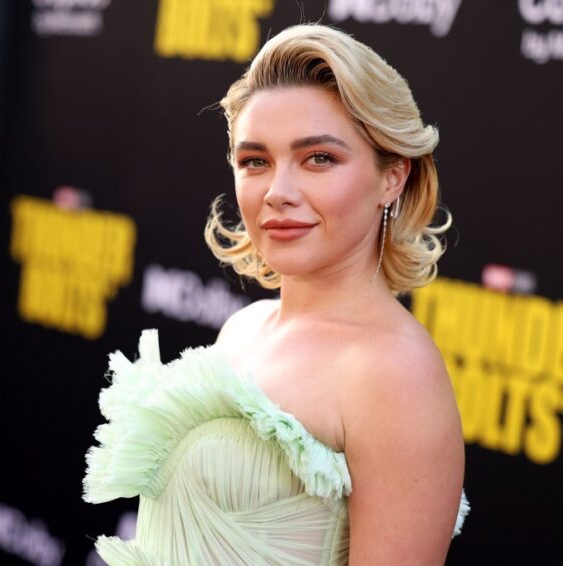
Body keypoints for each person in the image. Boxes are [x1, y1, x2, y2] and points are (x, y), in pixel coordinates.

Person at [84, 23, 468, 565]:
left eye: (319, 159)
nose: (278, 193)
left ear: (393, 177)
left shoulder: (395, 372)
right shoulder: (243, 328)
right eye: (255, 161)